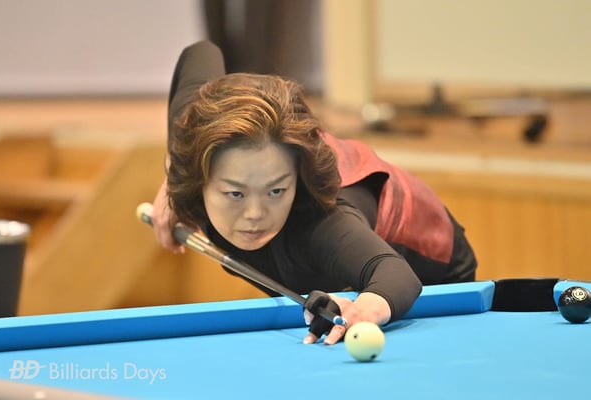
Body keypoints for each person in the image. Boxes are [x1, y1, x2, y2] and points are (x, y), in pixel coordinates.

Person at [151, 41, 477, 345]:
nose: (255, 214)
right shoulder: (193, 143)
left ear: (296, 177)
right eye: (235, 194)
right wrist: (174, 177)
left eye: (276, 190)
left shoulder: (324, 221)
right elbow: (202, 52)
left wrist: (360, 311)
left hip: (430, 270)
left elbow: (395, 274)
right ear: (200, 178)